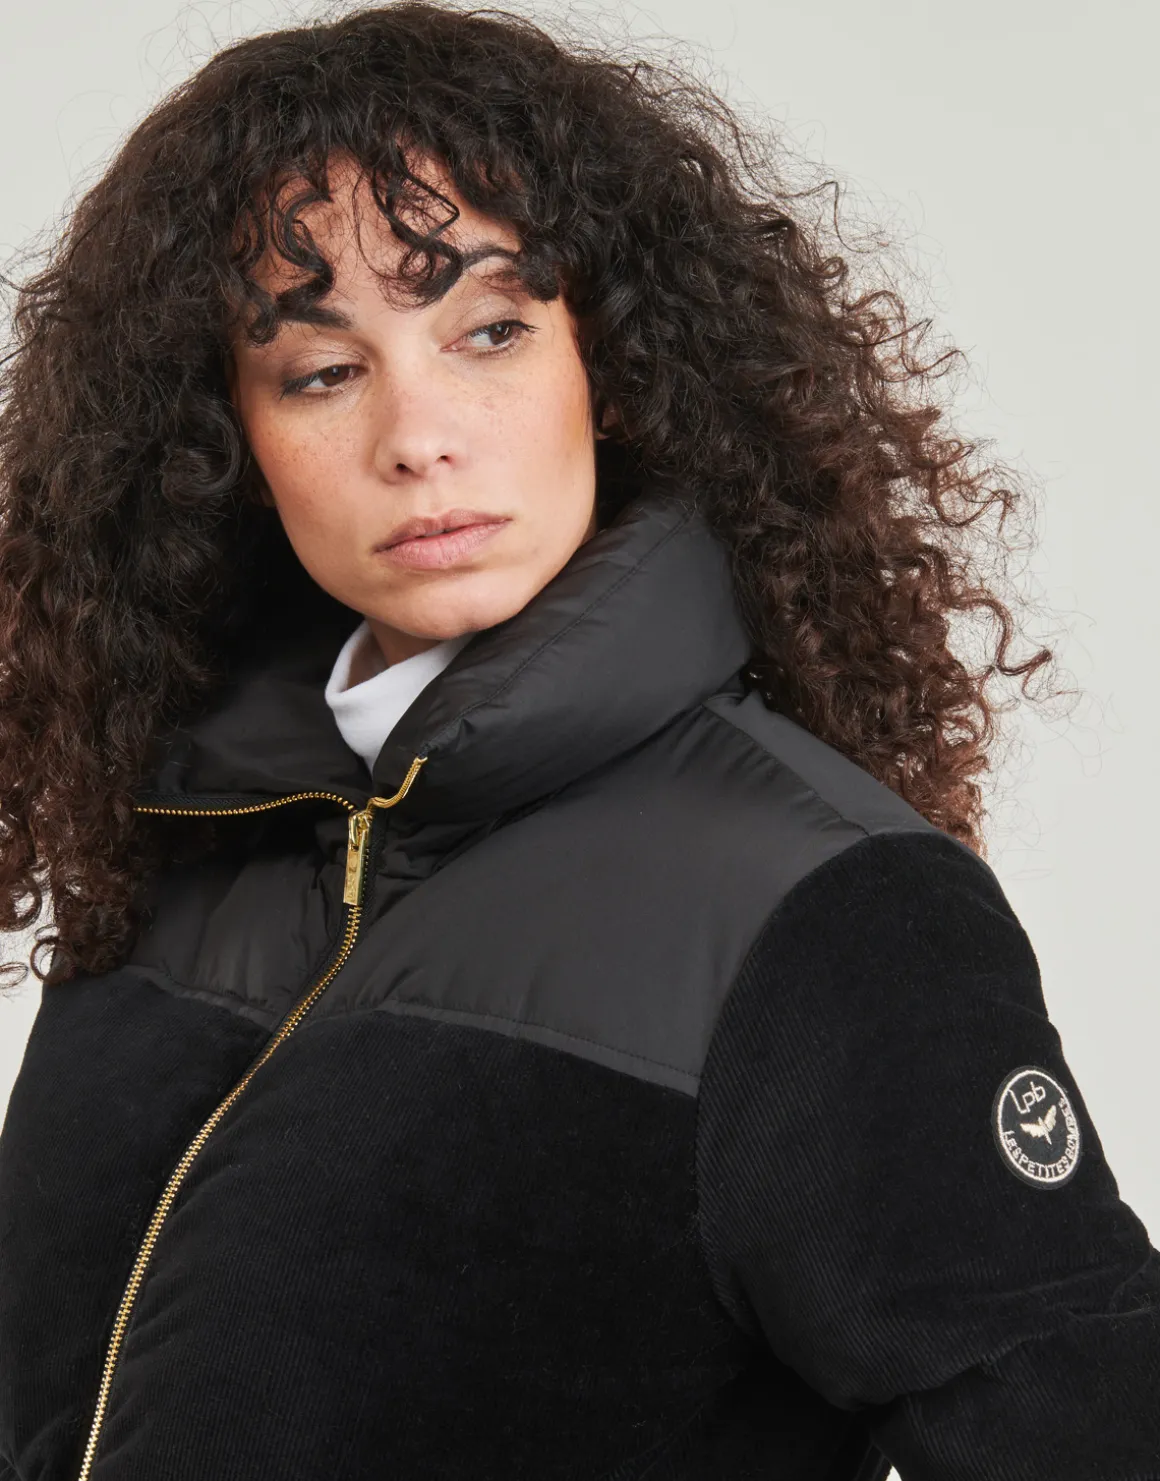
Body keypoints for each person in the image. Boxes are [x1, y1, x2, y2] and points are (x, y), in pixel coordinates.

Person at [0, 4, 1156, 1478]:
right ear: (218, 438)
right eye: (322, 371)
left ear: (611, 364)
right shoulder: (180, 835)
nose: (417, 436)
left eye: (491, 331)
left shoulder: (821, 903)